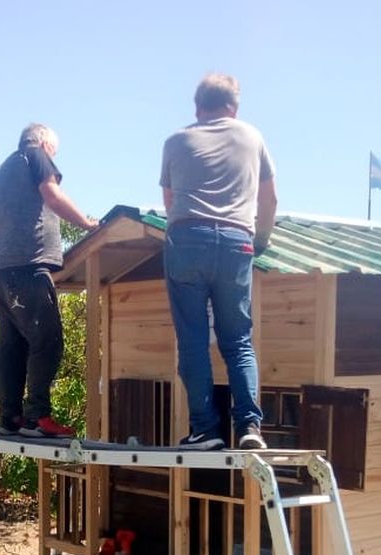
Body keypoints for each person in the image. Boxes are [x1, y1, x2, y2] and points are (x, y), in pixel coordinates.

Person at [160, 73, 277, 451]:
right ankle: (249, 428)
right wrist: (258, 243)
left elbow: (169, 200)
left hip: (186, 238)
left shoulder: (176, 140)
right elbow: (269, 200)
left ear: (197, 107)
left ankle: (205, 431)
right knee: (238, 340)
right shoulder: (252, 136)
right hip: (236, 241)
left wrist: (186, 234)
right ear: (234, 107)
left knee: (192, 341)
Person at [0, 122, 100, 438]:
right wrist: (86, 223)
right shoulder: (34, 155)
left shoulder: (1, 172)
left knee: (14, 343)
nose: (53, 157)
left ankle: (11, 418)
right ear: (44, 143)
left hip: (0, 270)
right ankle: (38, 417)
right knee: (48, 340)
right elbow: (51, 193)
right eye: (55, 151)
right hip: (26, 267)